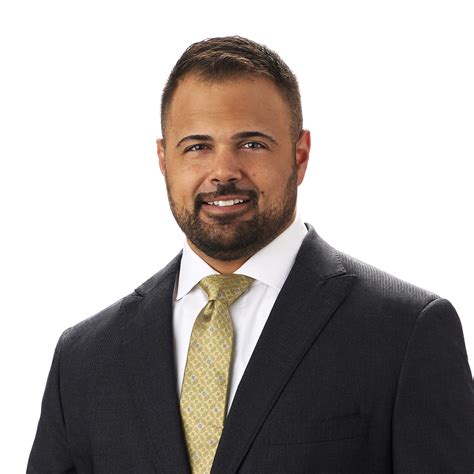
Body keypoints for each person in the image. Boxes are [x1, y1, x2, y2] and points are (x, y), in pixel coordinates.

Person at [27, 35, 474, 474]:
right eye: (197, 146)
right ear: (163, 159)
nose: (223, 171)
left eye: (252, 144)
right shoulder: (85, 359)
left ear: (300, 155)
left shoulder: (406, 333)